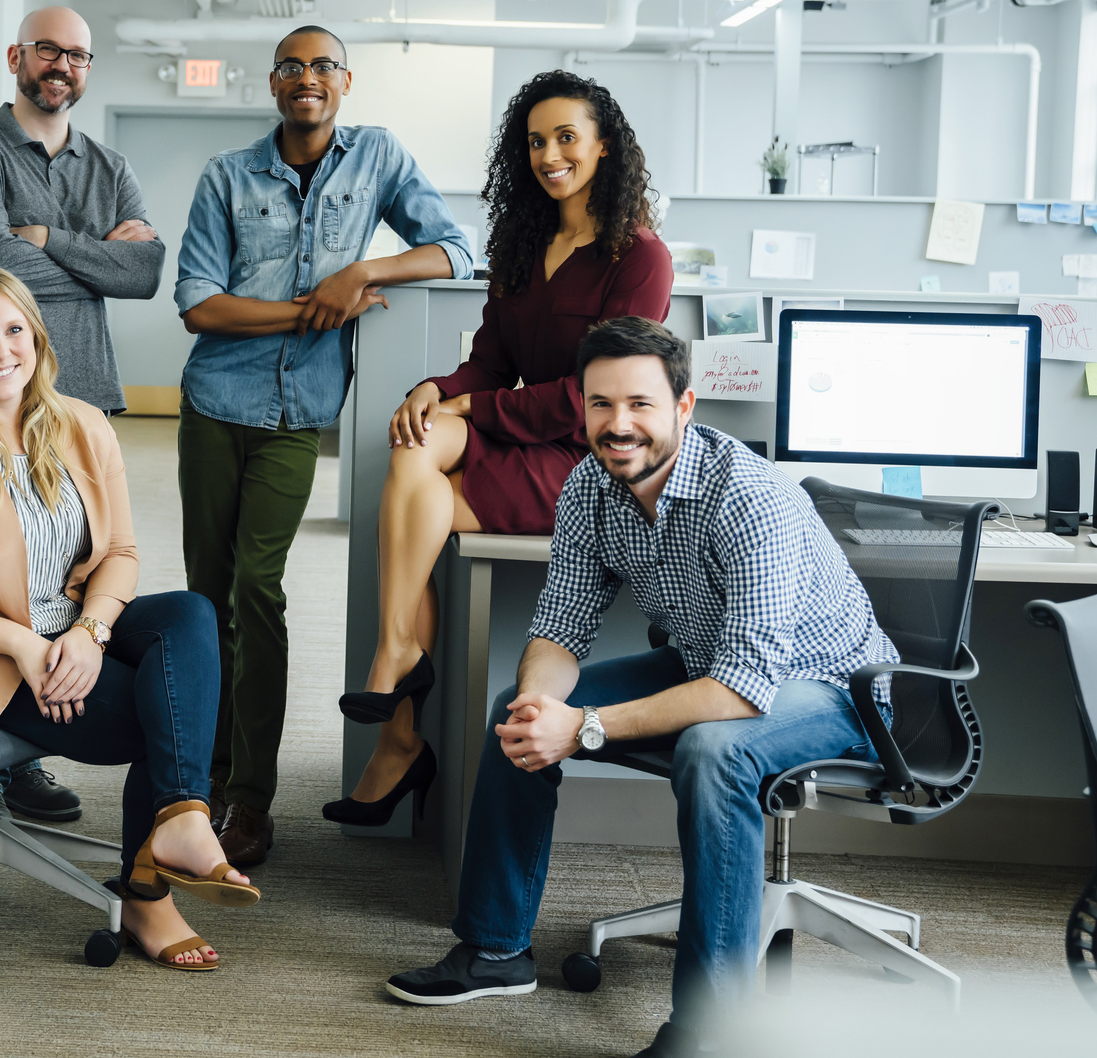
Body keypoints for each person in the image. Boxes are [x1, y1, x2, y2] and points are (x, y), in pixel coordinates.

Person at [382, 317, 900, 1058]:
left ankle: (711, 1030)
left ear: (684, 407)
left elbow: (744, 689)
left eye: (640, 404)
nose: (618, 425)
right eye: (600, 405)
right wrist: (544, 706)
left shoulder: (748, 498)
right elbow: (561, 626)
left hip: (834, 688)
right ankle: (496, 949)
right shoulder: (590, 487)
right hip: (707, 665)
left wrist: (585, 726)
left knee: (715, 752)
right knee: (517, 709)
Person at [0, 265, 258, 971]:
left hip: (74, 633)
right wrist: (26, 645)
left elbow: (117, 551)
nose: (1, 351)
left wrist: (89, 633)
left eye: (14, 330)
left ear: (37, 337)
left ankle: (179, 819)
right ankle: (150, 888)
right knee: (166, 712)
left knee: (190, 614)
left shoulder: (82, 425)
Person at [329, 70, 672, 823]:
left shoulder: (641, 257)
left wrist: (473, 405)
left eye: (566, 138)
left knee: (414, 509)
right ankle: (397, 662)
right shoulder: (525, 243)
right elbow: (490, 358)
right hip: (516, 439)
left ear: (604, 146)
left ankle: (401, 719)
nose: (550, 154)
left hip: (585, 465)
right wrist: (434, 388)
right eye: (536, 141)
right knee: (416, 448)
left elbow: (596, 396)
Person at [176, 25, 474, 866]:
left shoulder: (375, 156)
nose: (307, 78)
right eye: (291, 67)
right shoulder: (228, 176)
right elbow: (199, 303)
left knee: (255, 588)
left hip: (298, 415)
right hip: (212, 404)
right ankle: (200, 775)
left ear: (345, 83)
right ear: (274, 85)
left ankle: (249, 799)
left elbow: (456, 249)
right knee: (204, 599)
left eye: (323, 67)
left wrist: (365, 275)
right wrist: (312, 309)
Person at [0, 5, 164, 823]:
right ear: (16, 57)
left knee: (67, 576)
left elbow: (144, 276)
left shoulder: (110, 163)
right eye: (47, 50)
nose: (61, 64)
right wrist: (96, 250)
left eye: (78, 54)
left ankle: (38, 738)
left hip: (81, 401)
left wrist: (49, 239)